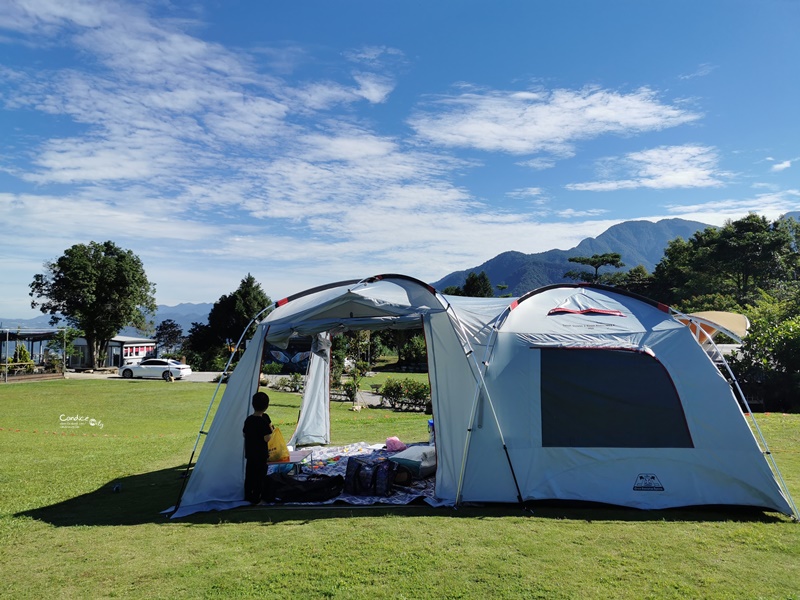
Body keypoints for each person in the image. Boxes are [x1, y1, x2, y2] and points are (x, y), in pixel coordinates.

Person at [242, 391, 273, 504]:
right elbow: (267, 438)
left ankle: (247, 494)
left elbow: (244, 434)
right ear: (266, 406)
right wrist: (271, 431)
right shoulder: (263, 422)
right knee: (259, 477)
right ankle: (257, 497)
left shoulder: (249, 420)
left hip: (250, 453)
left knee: (249, 475)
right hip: (261, 455)